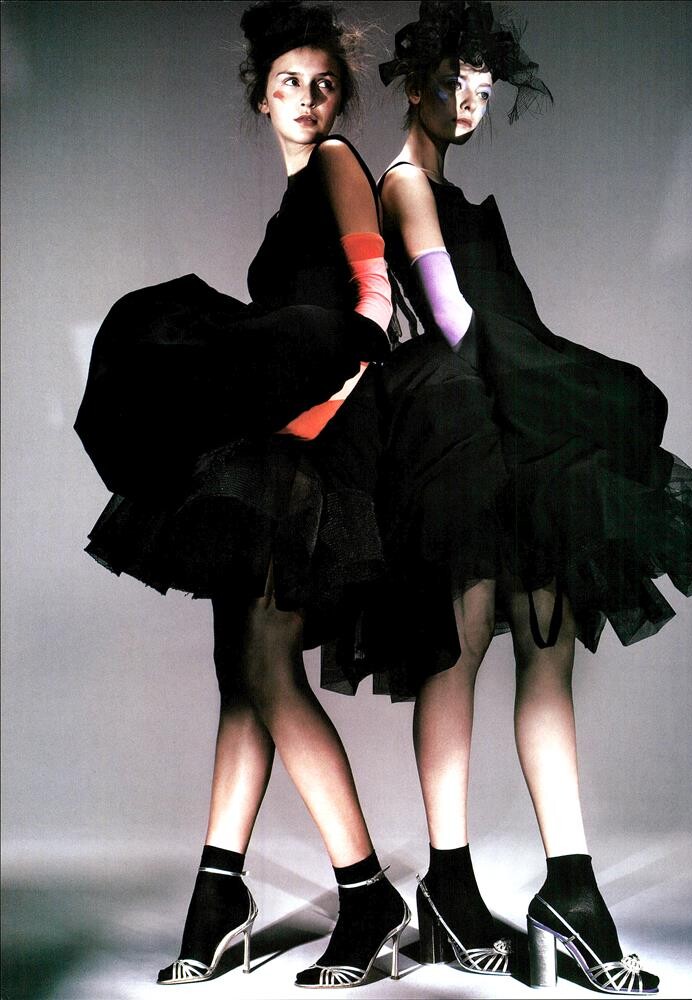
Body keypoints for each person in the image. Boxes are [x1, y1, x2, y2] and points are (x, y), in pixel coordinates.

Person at [324, 1, 692, 994]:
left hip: (509, 420)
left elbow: (492, 315)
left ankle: (570, 886)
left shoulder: (454, 193)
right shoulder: (404, 182)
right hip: (462, 427)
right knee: (460, 645)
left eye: (483, 90)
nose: (470, 104)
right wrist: (568, 384)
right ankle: (453, 884)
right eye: (455, 85)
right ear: (416, 85)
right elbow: (453, 319)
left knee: (545, 648)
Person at [74, 1, 410, 989]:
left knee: (263, 663)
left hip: (321, 439)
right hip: (278, 437)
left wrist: (311, 418)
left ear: (338, 101)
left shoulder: (339, 162)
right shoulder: (290, 197)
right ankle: (219, 894)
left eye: (322, 86)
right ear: (261, 98)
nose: (306, 100)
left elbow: (375, 307)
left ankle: (366, 895)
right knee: (241, 668)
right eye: (288, 84)